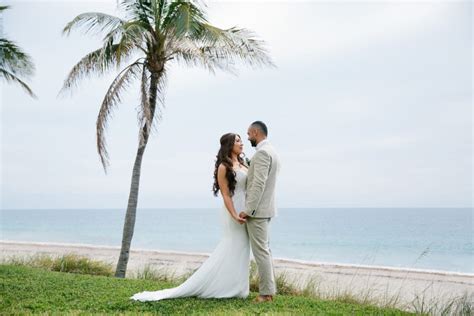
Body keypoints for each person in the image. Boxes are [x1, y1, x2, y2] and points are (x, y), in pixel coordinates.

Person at [130, 133, 250, 302]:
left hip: (246, 209)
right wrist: (234, 214)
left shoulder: (244, 163)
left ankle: (238, 287)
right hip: (233, 209)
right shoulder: (224, 166)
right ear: (229, 145)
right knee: (233, 245)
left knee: (243, 248)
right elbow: (225, 195)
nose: (241, 143)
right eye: (238, 141)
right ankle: (221, 286)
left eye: (241, 140)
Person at [239, 121, 280, 303]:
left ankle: (266, 294)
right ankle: (269, 290)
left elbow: (258, 184)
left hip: (258, 212)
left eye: (248, 134)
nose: (247, 138)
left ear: (256, 132)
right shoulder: (271, 150)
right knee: (266, 251)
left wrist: (248, 210)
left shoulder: (263, 153)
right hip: (266, 209)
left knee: (261, 252)